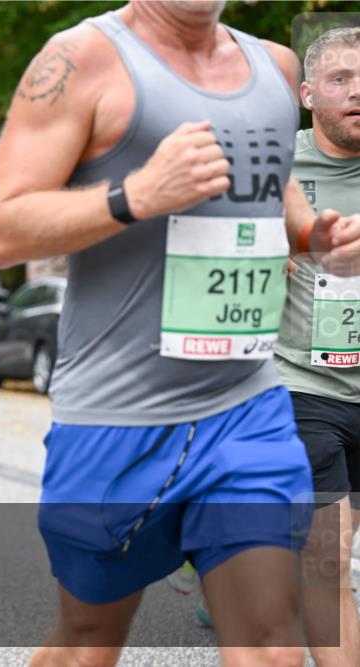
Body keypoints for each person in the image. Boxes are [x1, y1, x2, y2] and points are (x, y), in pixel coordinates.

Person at [0, 2, 360, 665]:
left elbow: (279, 190)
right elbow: (1, 229)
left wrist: (313, 237)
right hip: (116, 417)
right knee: (89, 640)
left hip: (249, 409)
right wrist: (136, 195)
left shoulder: (274, 66)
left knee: (272, 644)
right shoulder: (82, 59)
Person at [274, 26, 359, 667]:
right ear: (307, 95)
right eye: (341, 80)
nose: (358, 93)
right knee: (328, 560)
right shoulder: (274, 166)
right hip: (306, 388)